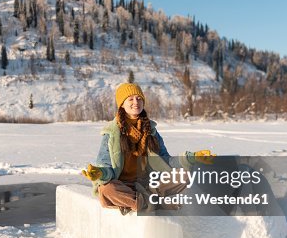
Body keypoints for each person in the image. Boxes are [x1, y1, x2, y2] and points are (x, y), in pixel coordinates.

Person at [82, 83, 214, 215]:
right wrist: (100, 173)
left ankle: (139, 202)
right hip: (122, 185)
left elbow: (165, 161)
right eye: (131, 99)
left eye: (139, 98)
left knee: (185, 175)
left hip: (148, 185)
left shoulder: (151, 131)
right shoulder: (111, 133)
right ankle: (152, 203)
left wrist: (192, 157)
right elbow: (106, 165)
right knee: (107, 189)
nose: (136, 102)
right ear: (122, 104)